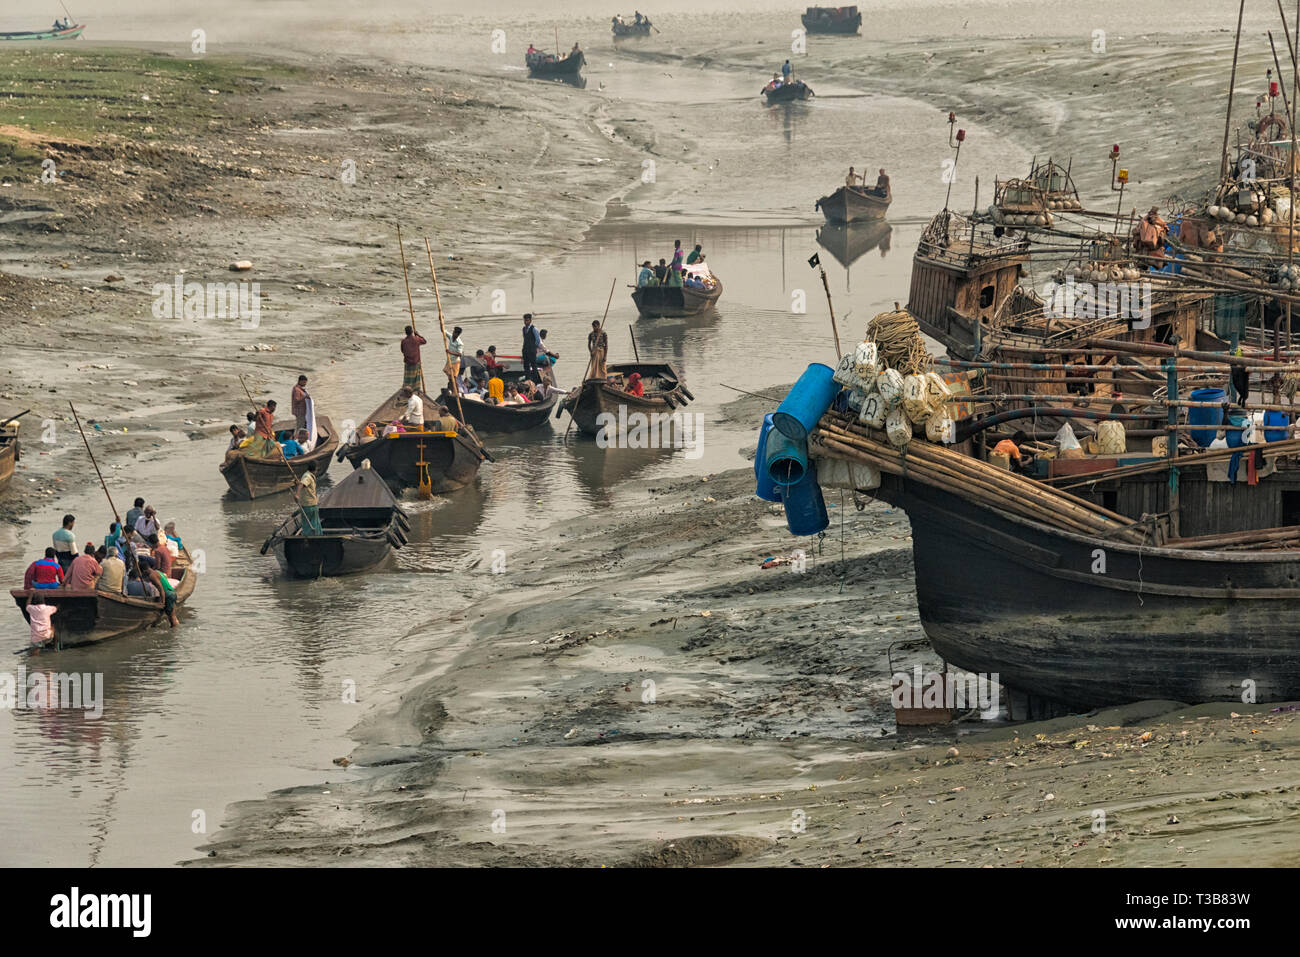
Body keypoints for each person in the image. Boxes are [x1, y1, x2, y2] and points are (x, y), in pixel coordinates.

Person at [146, 563, 179, 627]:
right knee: (173, 616)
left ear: (145, 571)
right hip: (172, 592)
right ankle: (175, 630)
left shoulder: (152, 575)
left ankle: (174, 633)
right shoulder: (158, 572)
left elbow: (161, 589)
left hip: (168, 595)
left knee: (172, 617)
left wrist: (162, 603)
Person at [401, 325, 427, 389]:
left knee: (407, 378)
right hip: (416, 361)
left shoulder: (404, 341)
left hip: (408, 362)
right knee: (415, 378)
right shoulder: (417, 339)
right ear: (412, 331)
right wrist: (418, 335)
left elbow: (402, 350)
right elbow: (424, 341)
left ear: (406, 332)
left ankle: (407, 388)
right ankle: (415, 388)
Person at [522, 313, 543, 380]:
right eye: (525, 320)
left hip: (532, 350)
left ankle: (535, 379)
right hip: (525, 350)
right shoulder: (524, 329)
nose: (526, 322)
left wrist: (534, 348)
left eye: (527, 320)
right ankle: (527, 379)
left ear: (530, 320)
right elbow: (525, 339)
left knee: (533, 365)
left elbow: (538, 340)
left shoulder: (534, 329)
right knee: (526, 366)